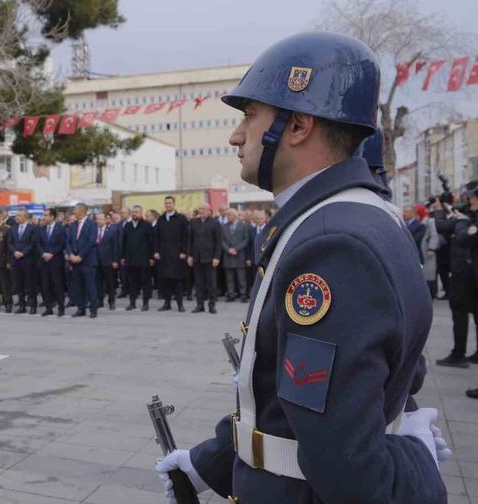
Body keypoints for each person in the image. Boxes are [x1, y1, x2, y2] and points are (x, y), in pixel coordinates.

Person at [156, 32, 445, 504]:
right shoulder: (344, 217)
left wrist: (416, 464)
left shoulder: (334, 243)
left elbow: (348, 465)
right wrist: (208, 463)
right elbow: (301, 397)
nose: (236, 134)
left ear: (298, 126)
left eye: (250, 115)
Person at [436, 187, 478, 369]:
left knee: (460, 311)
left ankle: (458, 354)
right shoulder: (469, 216)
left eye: (472, 199)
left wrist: (459, 220)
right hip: (467, 272)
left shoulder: (469, 219)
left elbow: (462, 236)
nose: (470, 202)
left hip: (465, 273)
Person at [154, 196, 189, 311]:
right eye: (166, 203)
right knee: (166, 280)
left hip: (177, 254)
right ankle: (167, 303)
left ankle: (180, 304)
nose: (168, 205)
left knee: (177, 280)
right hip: (164, 254)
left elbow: (185, 236)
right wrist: (156, 251)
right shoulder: (161, 219)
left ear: (174, 204)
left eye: (170, 203)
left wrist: (184, 251)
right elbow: (156, 237)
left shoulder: (181, 218)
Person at [66, 203, 98, 318]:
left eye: (75, 209)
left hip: (87, 261)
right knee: (78, 286)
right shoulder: (73, 225)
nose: (74, 211)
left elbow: (91, 242)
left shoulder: (92, 224)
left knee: (90, 286)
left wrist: (80, 256)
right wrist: (70, 254)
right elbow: (68, 241)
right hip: (74, 261)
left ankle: (93, 309)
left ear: (82, 210)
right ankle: (81, 308)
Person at [188, 204, 222, 313]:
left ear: (209, 211)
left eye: (203, 209)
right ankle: (200, 305)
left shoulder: (215, 223)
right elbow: (190, 240)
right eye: (200, 209)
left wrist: (217, 257)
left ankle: (212, 305)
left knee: (211, 283)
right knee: (199, 283)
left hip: (210, 258)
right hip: (197, 258)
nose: (201, 211)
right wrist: (190, 256)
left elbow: (218, 242)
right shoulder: (194, 222)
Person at [122, 205, 154, 311]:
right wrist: (123, 256)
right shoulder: (127, 225)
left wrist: (151, 257)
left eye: (137, 212)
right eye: (133, 212)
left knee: (145, 282)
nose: (135, 214)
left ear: (141, 213)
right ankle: (132, 303)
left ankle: (145, 303)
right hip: (130, 259)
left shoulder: (147, 225)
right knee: (132, 282)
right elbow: (124, 242)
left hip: (144, 259)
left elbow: (151, 243)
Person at [36, 208, 67, 317]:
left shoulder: (61, 229)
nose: (43, 217)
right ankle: (48, 307)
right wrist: (43, 254)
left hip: (56, 261)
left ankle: (61, 307)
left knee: (58, 285)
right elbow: (38, 244)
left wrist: (51, 254)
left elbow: (62, 244)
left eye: (46, 215)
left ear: (52, 217)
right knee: (45, 285)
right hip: (44, 261)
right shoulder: (41, 229)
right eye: (43, 215)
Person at [8, 210, 38, 314]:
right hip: (15, 260)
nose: (16, 217)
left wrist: (23, 253)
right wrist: (14, 251)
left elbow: (33, 243)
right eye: (16, 215)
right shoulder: (13, 228)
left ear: (25, 217)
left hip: (28, 260)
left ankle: (33, 305)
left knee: (30, 284)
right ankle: (22, 305)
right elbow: (9, 242)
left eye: (19, 215)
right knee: (18, 284)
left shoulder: (32, 228)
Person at [221, 208, 250, 303]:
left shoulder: (244, 226)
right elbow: (222, 240)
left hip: (239, 255)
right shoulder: (224, 226)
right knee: (229, 278)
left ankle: (243, 295)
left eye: (229, 215)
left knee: (241, 277)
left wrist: (236, 248)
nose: (227, 217)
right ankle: (231, 294)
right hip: (228, 255)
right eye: (227, 215)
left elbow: (246, 240)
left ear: (235, 216)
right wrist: (228, 249)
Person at [94, 213, 121, 310]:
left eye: (101, 219)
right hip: (96, 261)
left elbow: (116, 247)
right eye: (97, 219)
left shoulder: (112, 231)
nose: (99, 221)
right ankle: (100, 300)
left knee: (110, 283)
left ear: (106, 220)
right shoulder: (93, 231)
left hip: (108, 261)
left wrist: (115, 260)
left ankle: (111, 301)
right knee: (98, 283)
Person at [417, 204, 440, 297]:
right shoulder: (419, 221)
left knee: (430, 273)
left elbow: (434, 235)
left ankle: (432, 292)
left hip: (428, 251)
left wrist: (432, 248)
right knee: (424, 272)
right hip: (421, 250)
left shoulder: (430, 221)